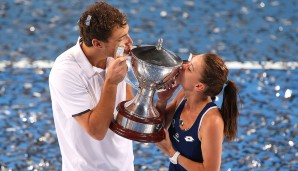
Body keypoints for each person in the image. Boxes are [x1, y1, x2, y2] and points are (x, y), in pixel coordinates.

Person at [49, 2, 135, 171]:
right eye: (121, 38)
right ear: (97, 44)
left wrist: (155, 92)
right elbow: (97, 131)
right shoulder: (65, 72)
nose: (130, 42)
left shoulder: (114, 55)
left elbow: (129, 111)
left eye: (128, 34)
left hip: (124, 166)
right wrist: (111, 83)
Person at [155, 53, 239, 171]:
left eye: (189, 68)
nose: (182, 65)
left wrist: (172, 153)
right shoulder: (183, 97)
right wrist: (162, 101)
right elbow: (155, 130)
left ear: (199, 86)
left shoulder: (211, 121)